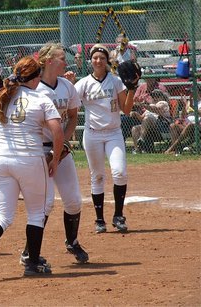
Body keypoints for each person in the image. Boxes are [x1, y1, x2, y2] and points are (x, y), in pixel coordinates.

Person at [0, 56, 64, 283]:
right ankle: (32, 263)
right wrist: (55, 159)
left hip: (1, 161)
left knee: (3, 214)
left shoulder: (1, 98)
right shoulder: (40, 98)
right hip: (30, 160)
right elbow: (57, 132)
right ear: (35, 78)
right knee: (36, 213)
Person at [18, 42, 88, 266]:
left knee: (74, 201)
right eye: (60, 57)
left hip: (60, 149)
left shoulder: (67, 86)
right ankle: (29, 251)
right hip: (38, 150)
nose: (64, 61)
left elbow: (73, 117)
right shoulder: (34, 88)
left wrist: (63, 142)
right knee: (45, 204)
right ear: (48, 61)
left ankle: (72, 241)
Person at [74, 44, 138, 233]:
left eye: (102, 57)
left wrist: (132, 89)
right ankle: (99, 220)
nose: (98, 61)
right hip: (92, 134)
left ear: (107, 61)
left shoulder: (116, 81)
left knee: (119, 172)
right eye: (95, 58)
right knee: (98, 176)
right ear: (91, 61)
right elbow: (71, 105)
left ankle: (118, 216)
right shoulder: (84, 83)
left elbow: (125, 110)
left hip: (113, 133)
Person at [121, 69, 169, 141]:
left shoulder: (160, 88)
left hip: (156, 117)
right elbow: (134, 101)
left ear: (154, 77)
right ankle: (122, 143)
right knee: (124, 119)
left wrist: (146, 104)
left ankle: (142, 140)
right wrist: (137, 105)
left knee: (147, 118)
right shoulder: (141, 87)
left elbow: (164, 102)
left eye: (150, 77)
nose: (149, 79)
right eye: (147, 77)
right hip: (141, 114)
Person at [131, 89, 172, 153]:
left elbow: (157, 110)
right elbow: (142, 119)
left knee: (148, 118)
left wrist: (143, 105)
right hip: (149, 128)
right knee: (135, 128)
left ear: (162, 97)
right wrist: (136, 114)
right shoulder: (150, 106)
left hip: (160, 127)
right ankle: (137, 149)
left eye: (157, 96)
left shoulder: (163, 103)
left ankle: (141, 139)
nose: (155, 98)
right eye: (153, 96)